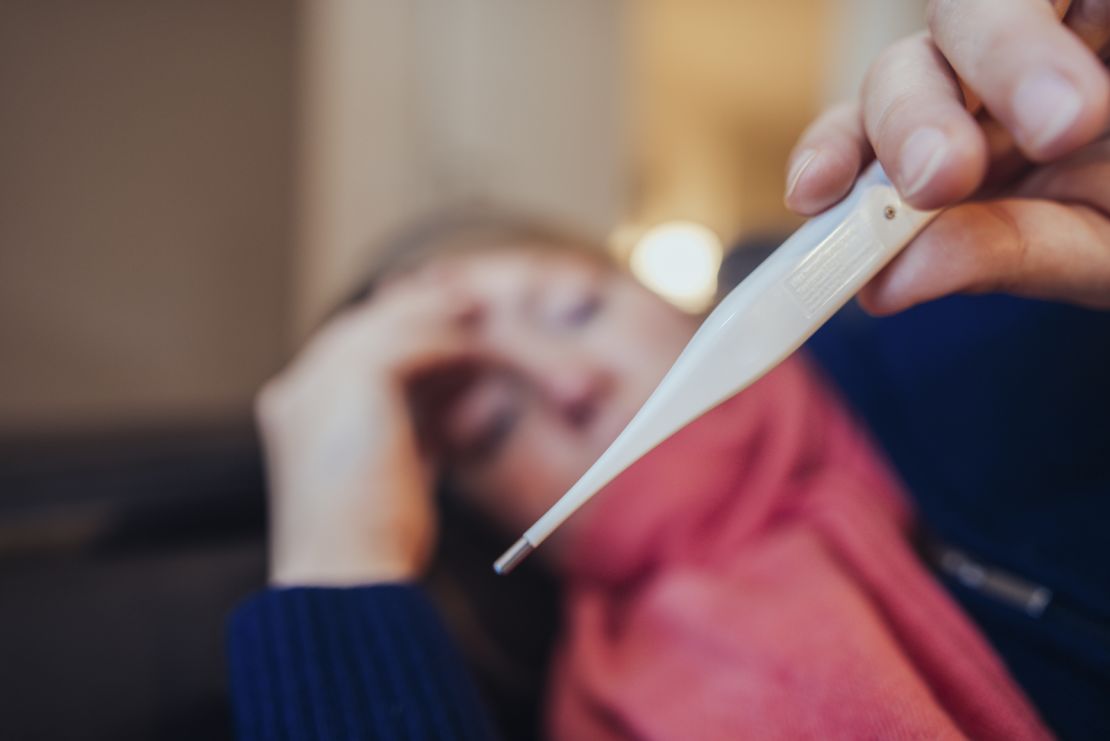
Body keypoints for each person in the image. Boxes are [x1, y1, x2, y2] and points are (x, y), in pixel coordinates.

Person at [228, 2, 1110, 739]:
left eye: (576, 309)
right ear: (473, 516)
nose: (571, 384)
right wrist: (335, 555)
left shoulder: (1006, 316)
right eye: (492, 429)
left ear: (669, 299)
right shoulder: (602, 712)